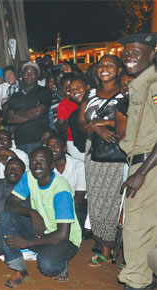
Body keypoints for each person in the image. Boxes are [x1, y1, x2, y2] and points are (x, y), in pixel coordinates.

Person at [0, 147, 81, 288]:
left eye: (42, 161)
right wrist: (32, 212)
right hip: (41, 230)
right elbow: (9, 204)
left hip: (64, 239)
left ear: (52, 165)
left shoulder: (61, 190)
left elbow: (63, 234)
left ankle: (61, 261)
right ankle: (19, 269)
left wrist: (27, 243)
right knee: (5, 216)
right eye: (33, 161)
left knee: (47, 266)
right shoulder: (29, 176)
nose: (37, 165)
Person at [77, 54, 126, 266]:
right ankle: (104, 245)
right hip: (92, 150)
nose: (104, 69)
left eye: (110, 65)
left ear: (119, 70)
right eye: (101, 65)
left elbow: (127, 122)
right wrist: (93, 127)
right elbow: (80, 124)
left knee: (113, 198)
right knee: (96, 197)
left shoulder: (125, 93)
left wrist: (99, 123)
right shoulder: (90, 93)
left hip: (116, 150)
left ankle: (113, 245)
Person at [118, 33, 157, 290]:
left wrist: (141, 172)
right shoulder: (140, 84)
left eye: (137, 52)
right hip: (143, 164)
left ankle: (136, 282)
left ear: (151, 54)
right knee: (148, 230)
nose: (129, 57)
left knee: (135, 231)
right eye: (127, 52)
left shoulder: (153, 85)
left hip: (148, 167)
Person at [5, 62, 53, 155]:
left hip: (39, 141)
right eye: (26, 72)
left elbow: (39, 112)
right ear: (22, 75)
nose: (29, 75)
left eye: (32, 72)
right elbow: (9, 119)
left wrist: (18, 113)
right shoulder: (15, 95)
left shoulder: (44, 91)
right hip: (20, 142)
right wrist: (33, 113)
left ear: (38, 75)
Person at [46, 135, 87, 228]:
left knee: (78, 210)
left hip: (75, 204)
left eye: (56, 145)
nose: (52, 149)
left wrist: (61, 210)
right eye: (49, 146)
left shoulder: (78, 165)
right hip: (53, 204)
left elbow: (79, 197)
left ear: (64, 148)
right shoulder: (46, 168)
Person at [56, 74, 85, 160]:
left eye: (70, 87)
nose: (68, 89)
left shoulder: (87, 100)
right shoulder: (63, 104)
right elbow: (61, 128)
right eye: (66, 88)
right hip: (73, 142)